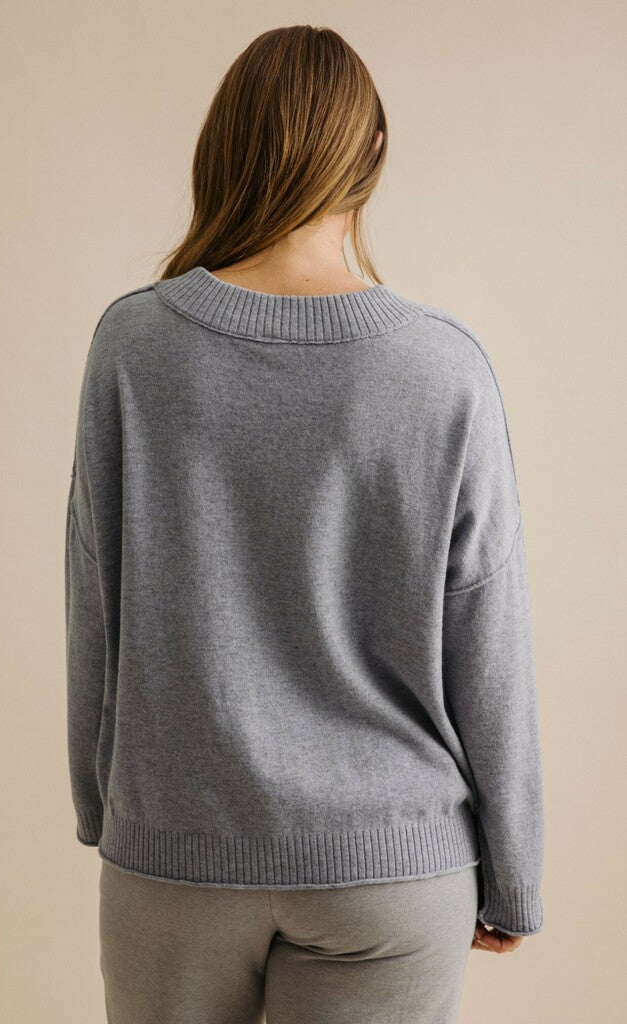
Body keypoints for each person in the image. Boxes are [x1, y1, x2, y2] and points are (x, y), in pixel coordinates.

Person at [65, 24, 545, 1024]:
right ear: (372, 154)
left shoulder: (133, 345)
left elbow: (95, 588)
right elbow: (486, 632)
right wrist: (514, 872)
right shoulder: (442, 366)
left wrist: (104, 804)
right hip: (392, 866)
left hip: (175, 854)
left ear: (223, 147)